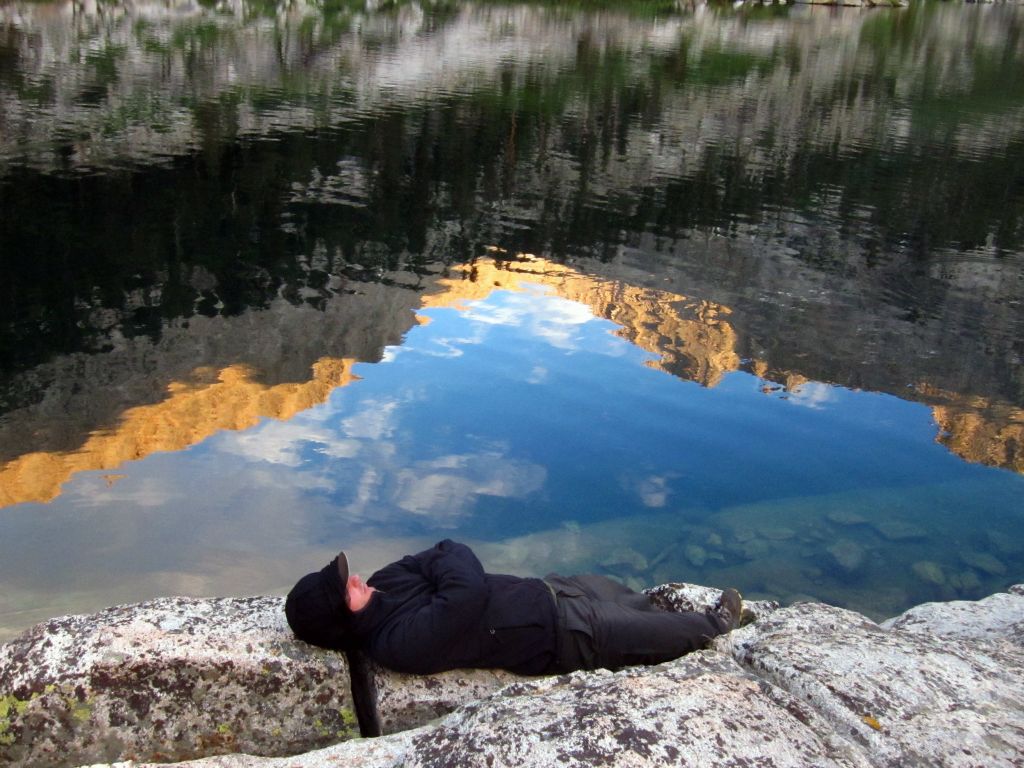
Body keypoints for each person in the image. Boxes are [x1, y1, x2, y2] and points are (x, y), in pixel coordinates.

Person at [285, 539, 742, 680]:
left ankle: (670, 620)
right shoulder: (396, 644)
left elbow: (446, 548)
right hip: (562, 637)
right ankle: (718, 626)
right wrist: (450, 583)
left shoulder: (384, 583)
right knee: (650, 635)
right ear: (341, 619)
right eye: (346, 588)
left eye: (347, 575)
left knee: (633, 602)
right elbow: (465, 589)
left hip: (553, 590)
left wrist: (453, 584)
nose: (356, 579)